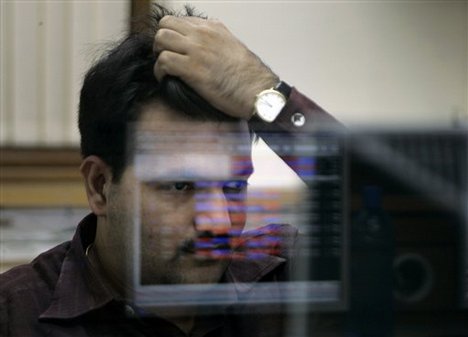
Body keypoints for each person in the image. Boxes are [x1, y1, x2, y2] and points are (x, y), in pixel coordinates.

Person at [0, 4, 340, 337]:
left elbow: (387, 207)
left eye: (235, 186)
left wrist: (266, 96)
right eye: (180, 185)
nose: (219, 222)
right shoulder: (16, 316)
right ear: (100, 186)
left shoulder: (283, 282)